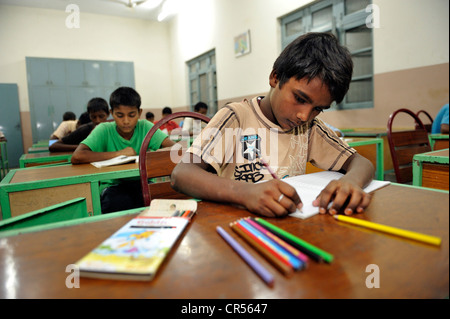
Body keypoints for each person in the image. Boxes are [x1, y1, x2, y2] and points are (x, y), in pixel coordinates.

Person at [171, 32, 375, 218]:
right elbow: (182, 174)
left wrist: (350, 182)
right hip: (236, 224)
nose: (304, 116)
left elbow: (360, 163)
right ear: (275, 77)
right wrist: (246, 193)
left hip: (287, 224)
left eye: (318, 109)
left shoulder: (310, 129)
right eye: (299, 98)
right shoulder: (236, 117)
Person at [71, 87, 175, 213]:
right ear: (112, 112)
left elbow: (174, 149)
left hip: (142, 183)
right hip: (112, 186)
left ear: (139, 112)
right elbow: (77, 156)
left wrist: (160, 154)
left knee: (164, 204)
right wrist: (119, 154)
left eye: (131, 115)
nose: (126, 121)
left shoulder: (145, 127)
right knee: (117, 204)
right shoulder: (104, 129)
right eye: (120, 115)